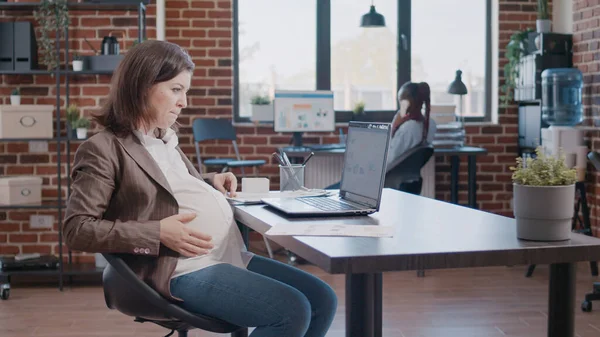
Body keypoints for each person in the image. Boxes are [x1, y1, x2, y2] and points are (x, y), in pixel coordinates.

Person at [63, 40, 337, 337]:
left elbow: (163, 185)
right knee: (292, 310)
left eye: (186, 91)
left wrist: (207, 182)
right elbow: (77, 229)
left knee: (323, 299)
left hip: (225, 255)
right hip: (178, 269)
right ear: (142, 87)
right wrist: (157, 233)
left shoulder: (164, 137)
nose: (183, 102)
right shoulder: (103, 149)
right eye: (176, 89)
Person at [386, 81, 437, 168]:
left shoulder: (408, 128)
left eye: (401, 101)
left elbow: (388, 160)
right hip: (411, 177)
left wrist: (395, 126)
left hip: (395, 178)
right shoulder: (431, 124)